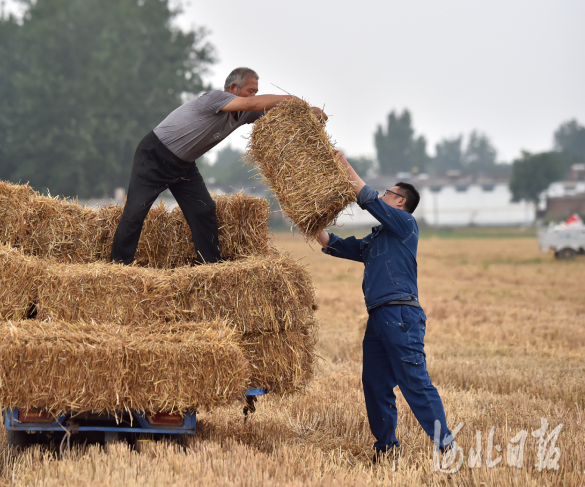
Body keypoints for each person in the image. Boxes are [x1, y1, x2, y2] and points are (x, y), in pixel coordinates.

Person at [111, 67, 326, 265]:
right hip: (154, 155)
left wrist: (309, 113)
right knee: (135, 213)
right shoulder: (215, 98)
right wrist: (295, 99)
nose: (254, 96)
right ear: (233, 88)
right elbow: (255, 104)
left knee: (204, 209)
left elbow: (276, 113)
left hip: (183, 165)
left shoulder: (243, 113)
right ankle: (118, 267)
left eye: (256, 92)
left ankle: (210, 266)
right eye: (251, 90)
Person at [316, 155, 453, 461]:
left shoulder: (406, 225)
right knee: (375, 384)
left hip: (401, 314)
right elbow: (334, 244)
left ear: (400, 201)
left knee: (415, 383)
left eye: (388, 193)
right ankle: (387, 449)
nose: (382, 195)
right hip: (378, 317)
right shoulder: (377, 238)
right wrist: (308, 222)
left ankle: (447, 447)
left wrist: (341, 163)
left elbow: (366, 198)